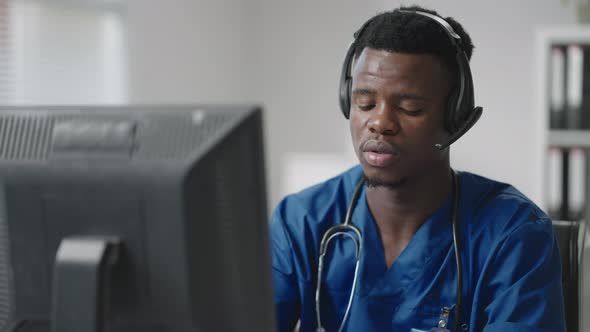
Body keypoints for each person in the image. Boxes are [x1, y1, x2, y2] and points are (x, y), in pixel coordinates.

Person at [269, 5, 565, 332]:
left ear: (455, 117)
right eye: (364, 103)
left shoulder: (513, 235)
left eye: (410, 108)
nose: (379, 123)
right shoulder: (301, 222)